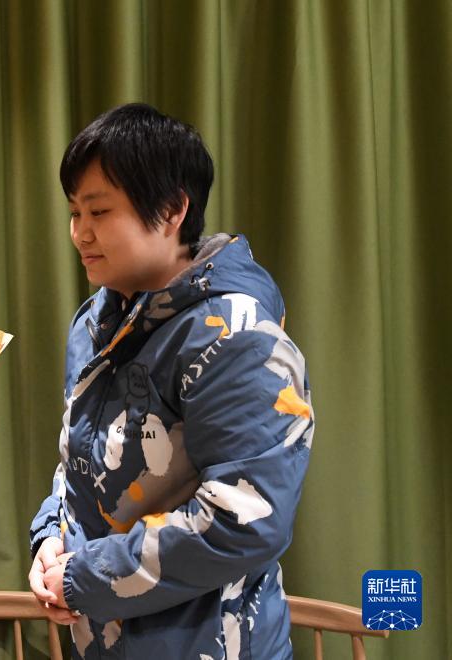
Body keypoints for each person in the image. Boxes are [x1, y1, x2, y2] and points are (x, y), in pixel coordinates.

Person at [28, 104, 313, 659]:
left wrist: (82, 577)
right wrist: (51, 538)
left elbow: (244, 518)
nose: (80, 233)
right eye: (74, 212)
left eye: (99, 211)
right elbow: (78, 463)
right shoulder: (95, 322)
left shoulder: (235, 334)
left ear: (172, 210)